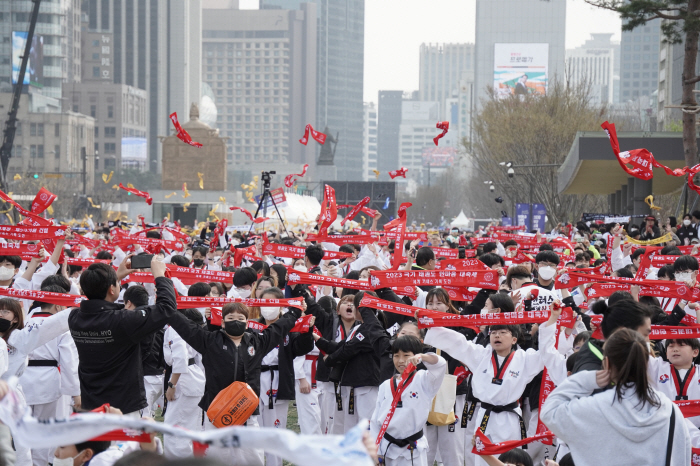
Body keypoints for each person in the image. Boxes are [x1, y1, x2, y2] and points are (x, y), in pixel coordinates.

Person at [165, 299, 309, 466]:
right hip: (216, 410)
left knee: (252, 455)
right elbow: (184, 326)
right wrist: (166, 306)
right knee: (218, 457)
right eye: (231, 318)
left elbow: (279, 328)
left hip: (246, 410)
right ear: (223, 322)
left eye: (241, 319)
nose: (236, 322)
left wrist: (296, 311)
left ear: (247, 323)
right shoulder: (209, 340)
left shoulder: (257, 342)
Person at [424, 304, 557, 466]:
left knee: (511, 460)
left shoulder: (525, 359)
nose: (497, 336)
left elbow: (546, 353)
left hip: (510, 418)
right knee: (482, 460)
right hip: (486, 416)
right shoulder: (481, 355)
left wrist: (552, 320)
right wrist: (430, 323)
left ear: (514, 339)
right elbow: (459, 344)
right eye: (493, 332)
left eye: (502, 332)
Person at [541, 328, 691, 466]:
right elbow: (682, 457)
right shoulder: (670, 409)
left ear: (606, 363)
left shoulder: (596, 406)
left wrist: (586, 379)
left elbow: (549, 412)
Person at [68, 257, 178, 415]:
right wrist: (160, 276)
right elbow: (167, 309)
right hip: (123, 405)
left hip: (91, 402)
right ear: (112, 289)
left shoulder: (75, 318)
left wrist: (115, 278)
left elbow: (96, 302)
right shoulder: (122, 321)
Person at [20, 285, 80, 466]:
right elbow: (68, 362)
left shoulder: (25, 321)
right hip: (48, 382)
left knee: (23, 432)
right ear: (58, 306)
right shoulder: (61, 326)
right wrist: (75, 393)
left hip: (22, 381)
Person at [369, 335, 446, 466]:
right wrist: (376, 450)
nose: (401, 360)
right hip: (388, 448)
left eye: (406, 355)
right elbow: (376, 420)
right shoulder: (385, 385)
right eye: (396, 355)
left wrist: (423, 357)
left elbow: (440, 364)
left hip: (413, 449)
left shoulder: (424, 380)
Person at [163, 308, 205, 458]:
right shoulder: (192, 330)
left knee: (176, 427)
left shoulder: (175, 328)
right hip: (193, 376)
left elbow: (180, 358)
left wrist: (172, 385)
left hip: (183, 377)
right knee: (191, 427)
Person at [123, 285, 166, 418]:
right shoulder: (156, 318)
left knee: (141, 419)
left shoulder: (133, 322)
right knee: (147, 415)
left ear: (129, 303)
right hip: (160, 376)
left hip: (144, 377)